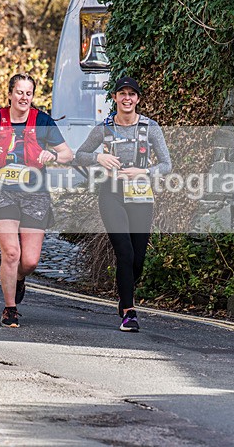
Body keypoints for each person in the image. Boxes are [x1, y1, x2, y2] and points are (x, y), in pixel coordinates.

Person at [0, 74, 74, 327]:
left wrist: (53, 155)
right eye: (19, 92)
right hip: (2, 193)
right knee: (12, 252)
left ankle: (18, 278)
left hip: (35, 195)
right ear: (10, 94)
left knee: (29, 260)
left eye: (28, 93)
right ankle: (10, 308)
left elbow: (67, 154)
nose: (24, 97)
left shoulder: (43, 122)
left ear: (32, 97)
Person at [74, 76, 171, 332]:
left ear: (138, 99)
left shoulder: (151, 128)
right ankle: (129, 311)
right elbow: (79, 156)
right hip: (111, 194)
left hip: (140, 195)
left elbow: (167, 165)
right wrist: (99, 158)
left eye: (132, 94)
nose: (127, 98)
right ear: (115, 98)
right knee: (125, 253)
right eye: (122, 93)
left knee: (137, 259)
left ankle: (124, 295)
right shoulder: (103, 129)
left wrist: (144, 173)